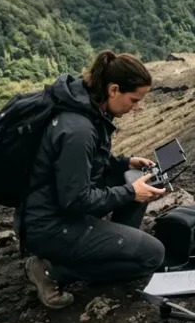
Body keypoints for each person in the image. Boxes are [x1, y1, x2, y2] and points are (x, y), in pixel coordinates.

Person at [18, 50, 168, 309]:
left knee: (135, 177)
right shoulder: (78, 130)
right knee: (153, 256)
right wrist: (130, 193)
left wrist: (124, 163)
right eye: (134, 100)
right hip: (51, 226)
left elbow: (80, 163)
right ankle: (51, 272)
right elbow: (75, 199)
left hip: (52, 212)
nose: (137, 107)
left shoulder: (86, 107)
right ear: (113, 90)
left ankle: (114, 246)